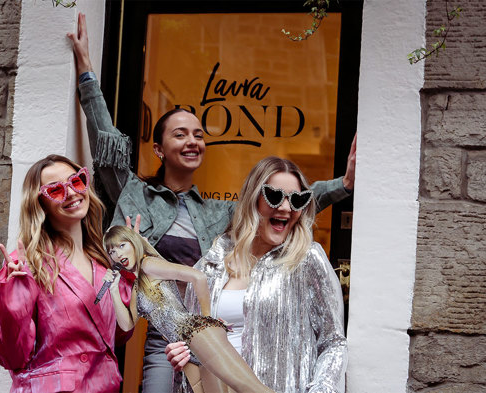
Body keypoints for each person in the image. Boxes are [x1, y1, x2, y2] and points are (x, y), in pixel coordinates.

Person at [68, 12, 354, 393]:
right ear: (158, 149)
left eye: (199, 134)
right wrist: (87, 73)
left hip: (205, 329)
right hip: (159, 333)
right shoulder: (135, 193)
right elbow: (106, 144)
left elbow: (280, 201)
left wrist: (345, 185)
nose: (193, 141)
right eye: (180, 134)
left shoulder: (218, 213)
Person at [167, 156, 347, 393]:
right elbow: (195, 344)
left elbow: (333, 343)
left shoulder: (307, 260)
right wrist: (183, 353)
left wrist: (321, 389)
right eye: (274, 196)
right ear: (254, 199)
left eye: (296, 200)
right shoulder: (210, 266)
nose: (285, 207)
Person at [0, 155, 133, 393]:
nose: (72, 193)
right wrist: (14, 299)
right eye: (55, 190)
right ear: (40, 203)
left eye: (77, 181)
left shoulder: (102, 261)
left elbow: (118, 336)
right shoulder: (27, 263)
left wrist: (128, 271)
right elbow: (12, 358)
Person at [102, 225, 274, 393]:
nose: (117, 254)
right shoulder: (137, 287)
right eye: (112, 252)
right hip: (185, 347)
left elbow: (197, 276)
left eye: (121, 245)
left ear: (134, 242)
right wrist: (114, 290)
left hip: (194, 332)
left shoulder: (148, 264)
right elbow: (127, 325)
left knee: (251, 389)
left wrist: (207, 320)